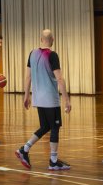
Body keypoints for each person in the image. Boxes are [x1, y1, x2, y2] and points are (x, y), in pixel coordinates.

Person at [16, 29, 71, 171]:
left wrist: (26, 95)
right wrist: (67, 100)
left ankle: (25, 149)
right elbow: (59, 78)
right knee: (54, 127)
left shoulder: (32, 54)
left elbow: (28, 77)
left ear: (41, 39)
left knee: (45, 126)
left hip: (38, 98)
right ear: (52, 39)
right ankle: (53, 161)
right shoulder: (52, 55)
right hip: (50, 99)